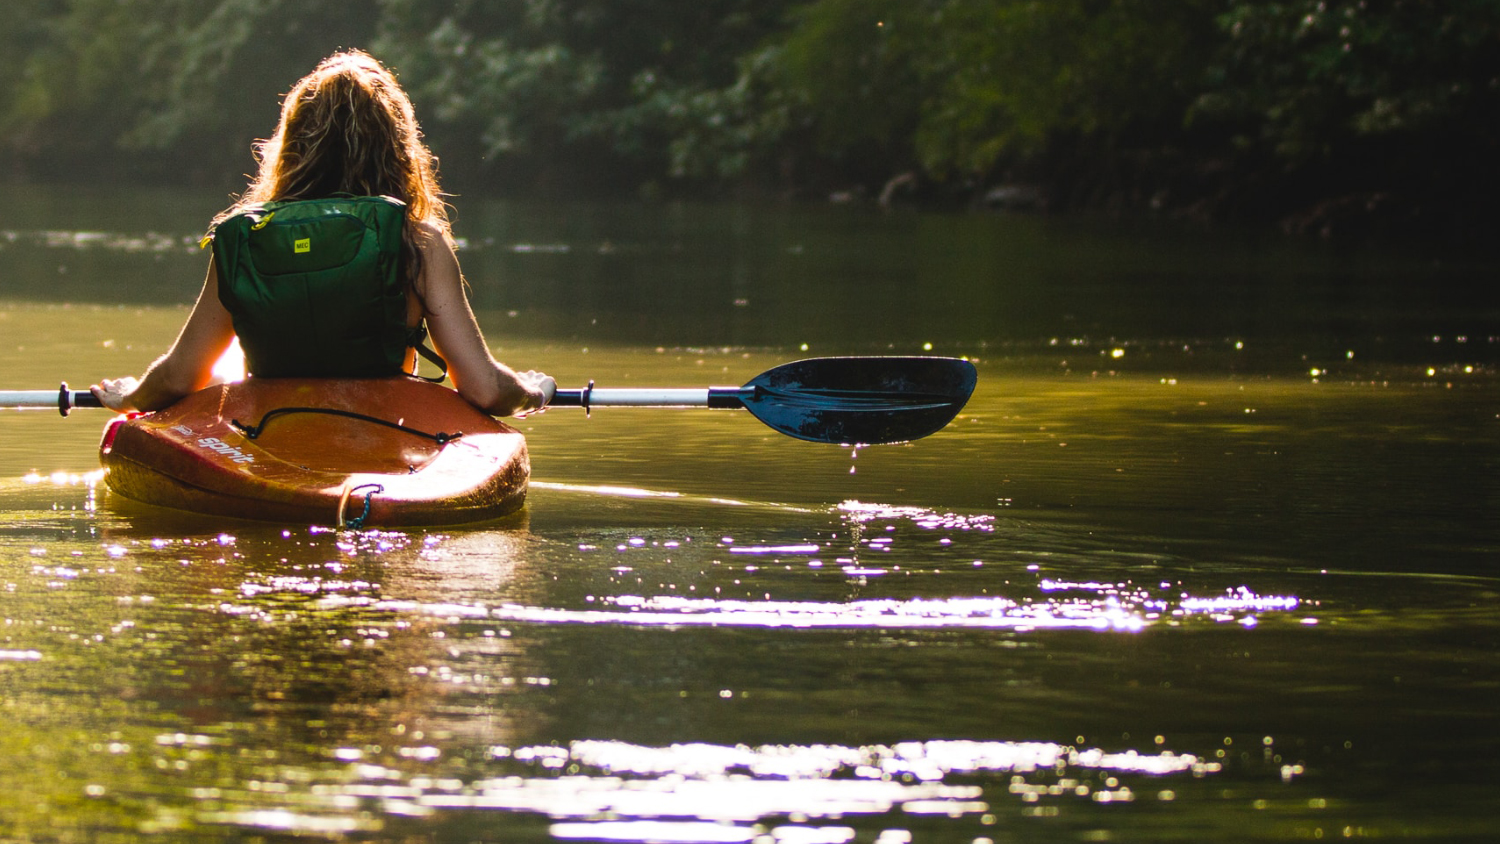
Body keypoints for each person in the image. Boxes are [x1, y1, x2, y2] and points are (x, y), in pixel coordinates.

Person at [91, 50, 554, 417]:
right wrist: (531, 391)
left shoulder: (246, 239)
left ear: (291, 144)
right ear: (398, 148)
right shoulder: (419, 243)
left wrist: (133, 396)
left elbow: (178, 378)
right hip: (386, 427)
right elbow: (485, 390)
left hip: (270, 427)